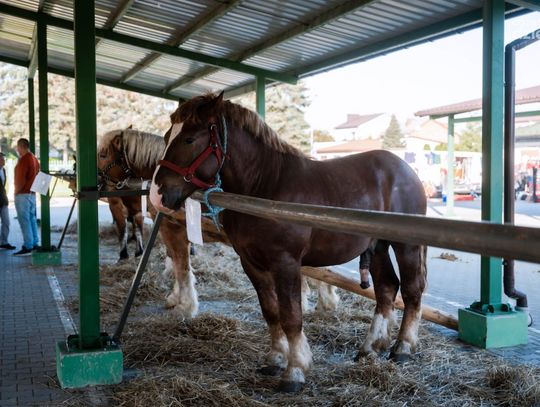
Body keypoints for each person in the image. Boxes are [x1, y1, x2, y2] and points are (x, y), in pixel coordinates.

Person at [13, 138, 40, 256]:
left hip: (23, 194)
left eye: (18, 147)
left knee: (24, 220)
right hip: (32, 193)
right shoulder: (34, 158)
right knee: (31, 219)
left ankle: (28, 246)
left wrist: (16, 192)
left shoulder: (24, 159)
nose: (17, 150)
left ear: (21, 147)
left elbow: (20, 179)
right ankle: (34, 243)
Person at [0, 152, 15, 250]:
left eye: (3, 159)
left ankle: (4, 242)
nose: (3, 161)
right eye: (1, 159)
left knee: (6, 222)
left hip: (3, 200)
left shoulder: (3, 170)